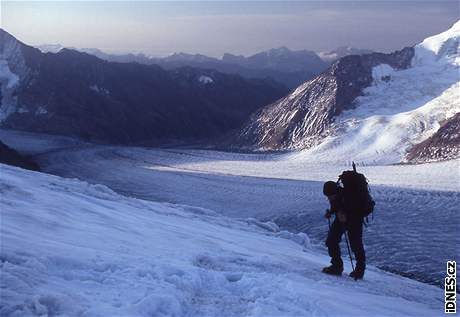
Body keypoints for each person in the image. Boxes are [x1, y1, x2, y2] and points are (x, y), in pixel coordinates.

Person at [322, 181, 366, 279]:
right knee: (331, 240)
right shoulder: (334, 196)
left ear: (335, 192)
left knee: (356, 245)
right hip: (341, 218)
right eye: (327, 196)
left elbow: (356, 210)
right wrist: (331, 212)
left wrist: (346, 216)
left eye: (330, 196)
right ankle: (337, 266)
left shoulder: (349, 197)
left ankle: (359, 271)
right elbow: (335, 207)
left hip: (355, 220)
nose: (329, 198)